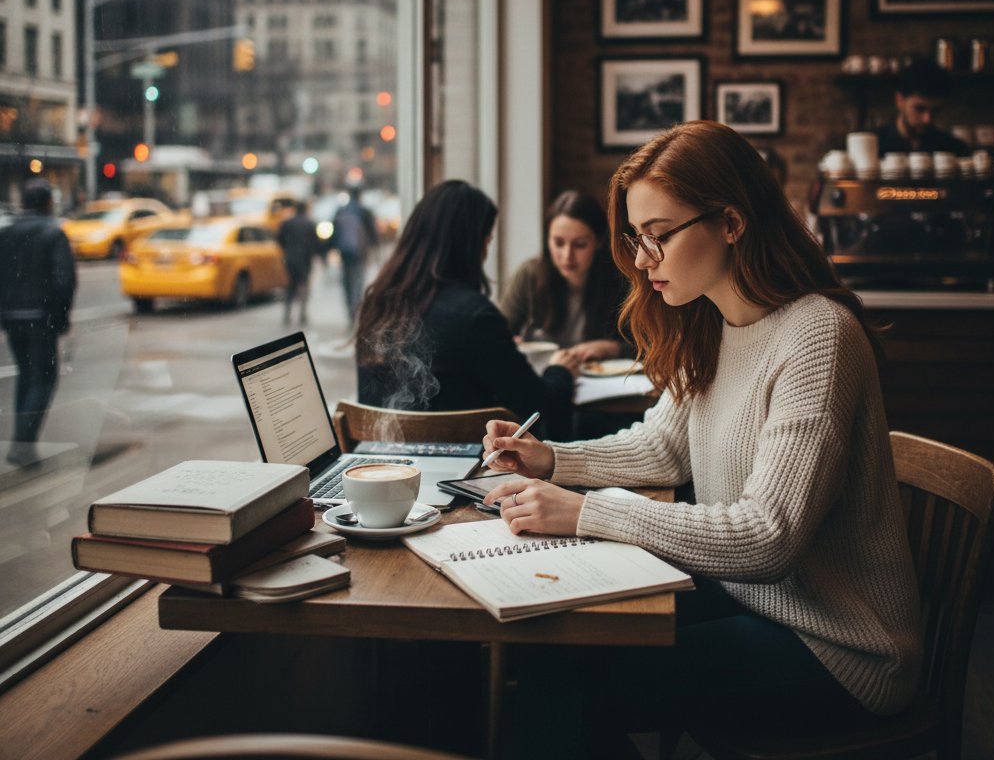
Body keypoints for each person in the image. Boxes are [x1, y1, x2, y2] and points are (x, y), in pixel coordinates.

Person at [480, 121, 922, 759]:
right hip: (757, 602)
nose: (640, 260)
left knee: (567, 682)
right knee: (559, 647)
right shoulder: (714, 325)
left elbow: (768, 537)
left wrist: (586, 511)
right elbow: (662, 449)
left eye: (658, 237)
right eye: (636, 239)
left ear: (732, 223)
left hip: (840, 646)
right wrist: (551, 459)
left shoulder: (818, 337)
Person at [356, 180, 578, 437]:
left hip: (382, 463)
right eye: (487, 240)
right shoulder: (474, 316)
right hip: (465, 466)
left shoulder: (377, 305)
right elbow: (538, 406)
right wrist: (561, 370)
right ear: (473, 245)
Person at [499, 190, 630, 365]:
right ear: (548, 240)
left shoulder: (619, 280)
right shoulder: (530, 276)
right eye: (558, 243)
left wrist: (611, 348)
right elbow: (497, 334)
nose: (567, 256)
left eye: (580, 245)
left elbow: (649, 346)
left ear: (599, 242)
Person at [0, 179, 77, 467]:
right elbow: (63, 281)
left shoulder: (6, 233)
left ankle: (21, 442)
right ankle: (22, 444)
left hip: (11, 318)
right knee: (43, 379)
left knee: (26, 376)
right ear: (47, 203)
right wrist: (60, 318)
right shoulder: (53, 233)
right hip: (40, 318)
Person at [872, 58, 971, 156]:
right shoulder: (872, 145)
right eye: (919, 109)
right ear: (900, 100)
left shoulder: (954, 149)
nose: (927, 119)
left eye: (935, 111)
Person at [333, 187, 378, 325]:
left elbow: (333, 232)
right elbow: (372, 233)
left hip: (344, 252)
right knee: (357, 281)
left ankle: (349, 310)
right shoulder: (363, 211)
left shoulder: (341, 210)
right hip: (359, 252)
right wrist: (374, 247)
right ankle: (355, 309)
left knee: (346, 281)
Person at [276, 200, 318, 325]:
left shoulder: (287, 223)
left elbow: (280, 240)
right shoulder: (309, 224)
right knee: (304, 285)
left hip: (290, 259)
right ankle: (302, 314)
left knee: (290, 286)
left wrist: (287, 251)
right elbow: (315, 244)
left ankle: (287, 314)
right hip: (304, 260)